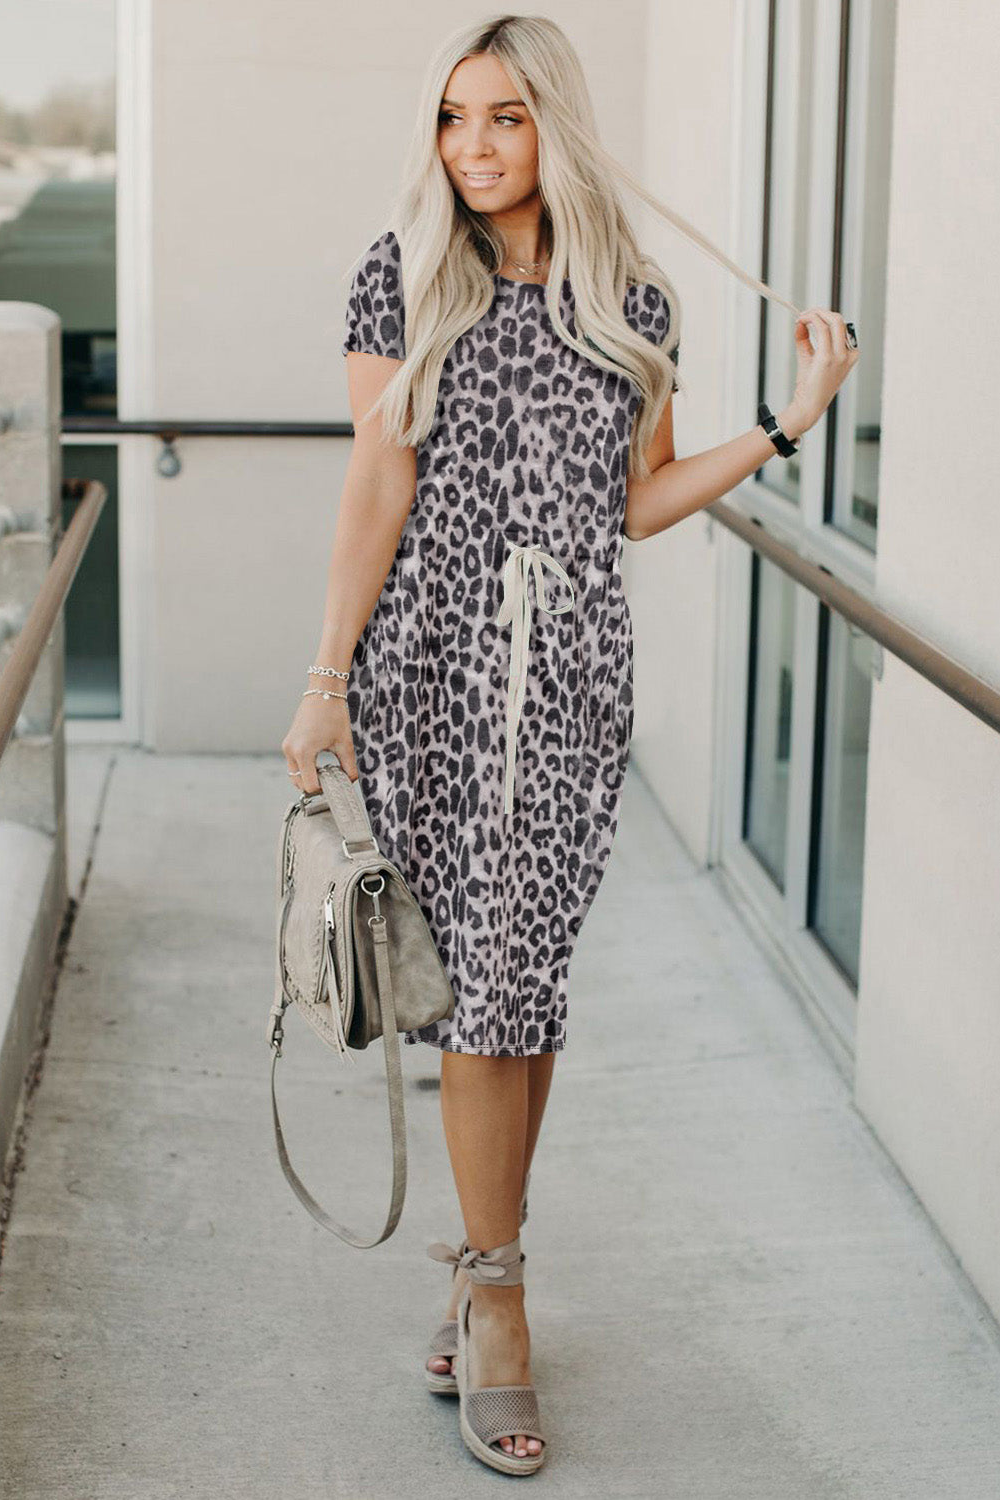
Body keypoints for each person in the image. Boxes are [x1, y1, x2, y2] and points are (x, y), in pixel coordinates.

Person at [281, 13, 859, 1477]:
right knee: (479, 994)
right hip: (431, 674)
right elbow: (376, 489)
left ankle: (479, 1268)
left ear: (557, 127)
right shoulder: (400, 273)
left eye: (506, 119)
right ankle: (502, 1302)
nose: (473, 148)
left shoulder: (634, 297)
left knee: (524, 993)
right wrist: (325, 675)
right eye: (454, 119)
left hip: (576, 681)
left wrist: (787, 426)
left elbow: (638, 503)